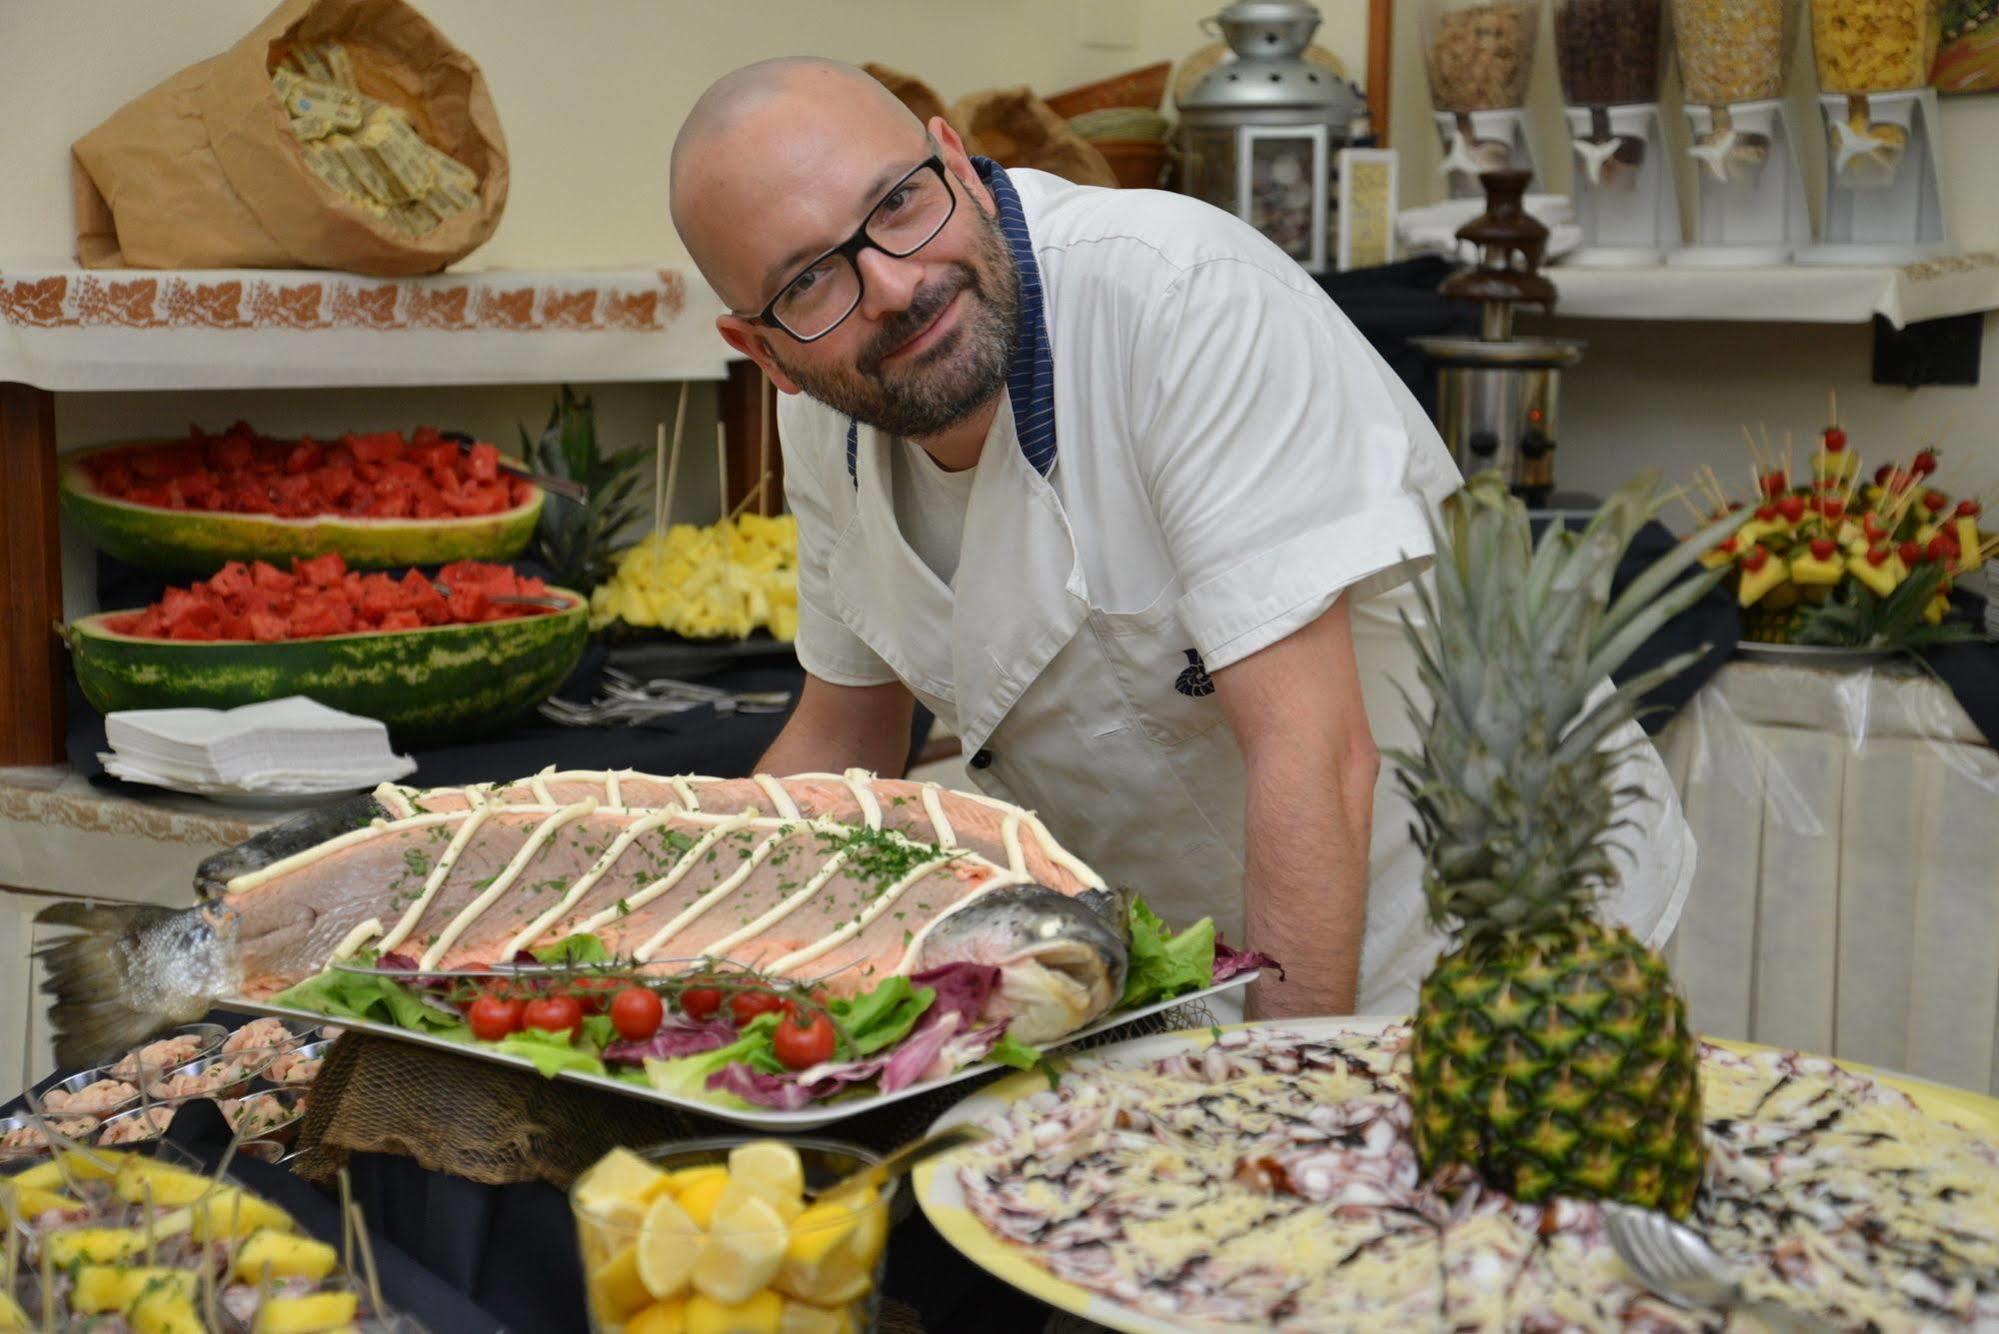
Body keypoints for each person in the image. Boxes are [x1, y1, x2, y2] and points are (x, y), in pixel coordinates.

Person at [668, 57, 1697, 1020]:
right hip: (1204, 975)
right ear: (765, 353)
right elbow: (846, 742)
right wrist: (668, 949)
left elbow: (1316, 753)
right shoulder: (832, 410)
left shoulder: (1180, 297)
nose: (894, 285)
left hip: (1475, 949)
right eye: (809, 280)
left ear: (959, 164)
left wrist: (1270, 1110)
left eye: (898, 201)